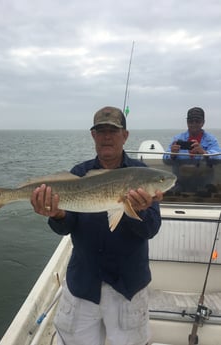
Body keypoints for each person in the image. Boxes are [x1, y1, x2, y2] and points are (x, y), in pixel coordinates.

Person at [31, 106, 163, 345]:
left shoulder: (142, 175)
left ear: (125, 135)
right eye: (101, 131)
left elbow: (151, 230)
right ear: (93, 136)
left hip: (128, 287)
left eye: (113, 130)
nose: (107, 136)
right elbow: (66, 227)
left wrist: (139, 211)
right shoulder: (79, 174)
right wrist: (58, 215)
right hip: (83, 283)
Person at [163, 107, 220, 192]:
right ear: (187, 122)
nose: (194, 124)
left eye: (197, 121)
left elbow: (218, 158)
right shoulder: (178, 138)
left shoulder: (211, 140)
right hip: (180, 184)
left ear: (203, 122)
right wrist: (172, 154)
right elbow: (165, 159)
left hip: (204, 184)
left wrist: (204, 153)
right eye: (190, 121)